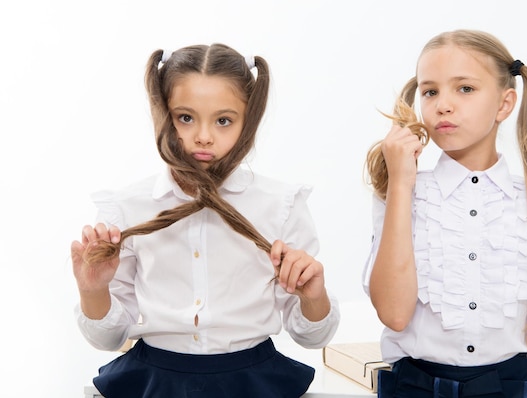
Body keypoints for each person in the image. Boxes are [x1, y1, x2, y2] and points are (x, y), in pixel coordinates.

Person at [71, 43, 340, 398]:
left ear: (249, 121)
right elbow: (107, 339)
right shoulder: (125, 209)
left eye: (223, 120)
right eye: (185, 117)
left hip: (255, 381)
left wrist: (312, 295)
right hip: (153, 381)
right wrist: (94, 291)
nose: (203, 136)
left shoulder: (281, 205)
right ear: (162, 114)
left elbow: (312, 337)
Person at [362, 29, 527, 398]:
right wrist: (400, 184)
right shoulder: (402, 193)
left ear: (504, 104)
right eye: (430, 91)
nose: (443, 105)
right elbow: (394, 314)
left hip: (510, 387)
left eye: (464, 88)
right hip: (412, 387)